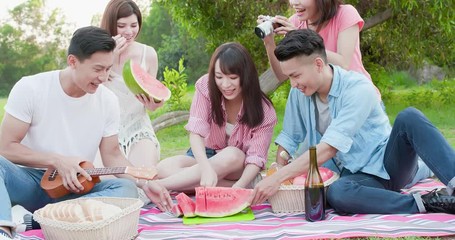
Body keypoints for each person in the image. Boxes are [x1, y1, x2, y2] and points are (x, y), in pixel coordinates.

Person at [251, 29, 455, 215]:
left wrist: (276, 179)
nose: (293, 84)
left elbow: (329, 148)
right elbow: (289, 137)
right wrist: (279, 169)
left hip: (388, 165)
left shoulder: (358, 88)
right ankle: (426, 202)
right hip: (356, 176)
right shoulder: (299, 94)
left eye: (296, 75)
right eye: (289, 78)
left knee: (409, 116)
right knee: (338, 193)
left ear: (318, 64)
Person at [0, 26, 171, 240]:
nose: (103, 77)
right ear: (73, 61)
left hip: (77, 189)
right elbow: (5, 147)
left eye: (108, 69)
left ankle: (38, 220)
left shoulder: (108, 101)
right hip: (30, 182)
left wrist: (144, 184)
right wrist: (56, 160)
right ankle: (4, 231)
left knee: (125, 189)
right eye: (97, 69)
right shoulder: (31, 88)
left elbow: (113, 155)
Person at [258, 0, 433, 184]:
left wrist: (300, 36)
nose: (294, 3)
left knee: (366, 162)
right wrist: (269, 42)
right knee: (324, 179)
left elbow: (343, 62)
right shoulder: (297, 21)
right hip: (319, 102)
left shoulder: (345, 14)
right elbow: (283, 74)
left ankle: (418, 169)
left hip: (354, 101)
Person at [151, 42, 277, 196]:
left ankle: (159, 185)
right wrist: (206, 169)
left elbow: (256, 158)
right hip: (207, 154)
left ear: (246, 76)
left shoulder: (264, 110)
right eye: (219, 77)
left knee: (232, 154)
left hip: (237, 165)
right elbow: (196, 133)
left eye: (233, 77)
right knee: (164, 168)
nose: (225, 85)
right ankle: (223, 186)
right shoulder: (205, 86)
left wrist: (241, 184)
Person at [100, 0, 161, 168]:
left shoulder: (148, 54)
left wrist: (154, 104)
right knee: (111, 184)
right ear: (111, 25)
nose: (129, 32)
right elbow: (92, 95)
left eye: (134, 25)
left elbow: (150, 99)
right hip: (104, 132)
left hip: (138, 129)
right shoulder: (96, 53)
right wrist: (109, 60)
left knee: (145, 178)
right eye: (121, 26)